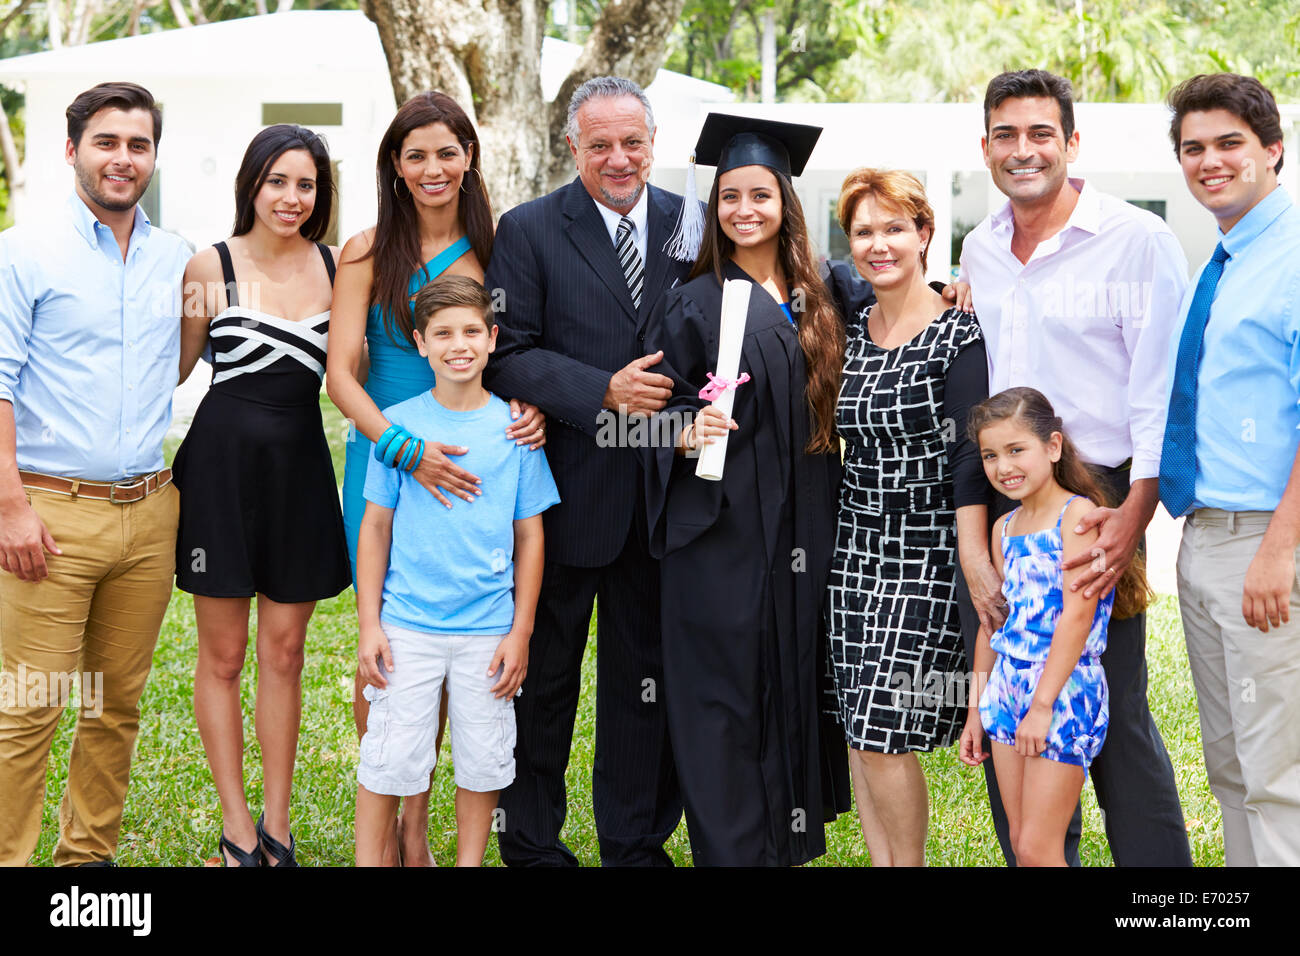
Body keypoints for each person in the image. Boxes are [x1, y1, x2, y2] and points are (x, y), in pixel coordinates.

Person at [955, 69, 1192, 866]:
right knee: (1014, 691)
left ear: (1071, 143)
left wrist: (1135, 516)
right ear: (985, 146)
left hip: (1103, 493)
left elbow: (1161, 391)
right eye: (1006, 135)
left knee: (1113, 708)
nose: (1023, 151)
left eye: (1040, 134)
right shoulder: (980, 247)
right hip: (1009, 491)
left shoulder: (1136, 240)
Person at [326, 91, 544, 865]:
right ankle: (393, 826)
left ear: (469, 158)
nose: (432, 168)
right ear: (395, 164)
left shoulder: (501, 250)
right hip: (387, 463)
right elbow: (340, 374)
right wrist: (403, 448)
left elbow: (510, 355)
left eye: (446, 152)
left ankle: (425, 837)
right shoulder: (363, 251)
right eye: (415, 154)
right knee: (393, 646)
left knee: (457, 645)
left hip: (474, 460)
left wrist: (531, 411)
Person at [482, 76, 687, 866]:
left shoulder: (689, 225)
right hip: (566, 497)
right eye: (599, 144)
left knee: (644, 686)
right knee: (546, 684)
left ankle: (632, 842)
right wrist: (601, 389)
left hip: (662, 504)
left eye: (631, 141)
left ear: (652, 142)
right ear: (572, 147)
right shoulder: (530, 230)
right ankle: (531, 841)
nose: (618, 158)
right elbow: (509, 351)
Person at [640, 113, 851, 865]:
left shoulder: (827, 294)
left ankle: (784, 845)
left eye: (759, 194)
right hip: (719, 540)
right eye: (729, 196)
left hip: (804, 532)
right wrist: (679, 430)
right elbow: (640, 420)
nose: (743, 210)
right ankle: (730, 851)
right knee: (723, 697)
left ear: (784, 201)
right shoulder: (693, 301)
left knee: (791, 679)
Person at [0, 82, 190, 866]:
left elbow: (182, 365)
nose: (123, 159)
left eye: (137, 145)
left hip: (148, 511)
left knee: (114, 708)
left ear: (152, 156)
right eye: (107, 142)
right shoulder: (23, 250)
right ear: (72, 149)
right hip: (48, 510)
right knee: (29, 710)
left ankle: (86, 866)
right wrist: (10, 506)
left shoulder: (178, 258)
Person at [175, 124, 351, 867]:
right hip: (218, 471)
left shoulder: (340, 267)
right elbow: (170, 373)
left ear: (320, 194)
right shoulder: (207, 265)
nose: (291, 196)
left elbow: (364, 373)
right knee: (223, 656)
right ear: (252, 183)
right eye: (277, 180)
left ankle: (278, 833)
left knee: (285, 653)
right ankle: (236, 830)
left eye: (305, 184)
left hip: (301, 472)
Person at [354, 275, 559, 867]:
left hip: (488, 633)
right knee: (389, 758)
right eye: (442, 333)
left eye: (471, 331)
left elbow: (530, 536)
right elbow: (375, 529)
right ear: (420, 343)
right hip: (408, 628)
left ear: (493, 339)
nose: (458, 344)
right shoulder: (397, 426)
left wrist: (519, 633)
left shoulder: (516, 431)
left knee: (483, 758)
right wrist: (371, 624)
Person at [826, 168, 988, 866]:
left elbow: (971, 460)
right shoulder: (847, 330)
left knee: (883, 734)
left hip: (924, 556)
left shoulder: (961, 335)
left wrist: (972, 556)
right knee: (860, 732)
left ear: (925, 233)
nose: (879, 243)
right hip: (852, 554)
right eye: (864, 231)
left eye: (895, 227)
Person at [1159, 73, 1300, 866]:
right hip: (1207, 536)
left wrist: (1278, 549)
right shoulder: (1221, 262)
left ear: (1272, 150)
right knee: (1232, 767)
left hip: (1266, 542)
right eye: (1193, 148)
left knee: (1278, 773)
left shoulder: (1292, 258)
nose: (1209, 161)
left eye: (1228, 144)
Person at [960, 387, 1149, 866]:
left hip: (1061, 692)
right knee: (1023, 845)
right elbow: (992, 625)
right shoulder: (1003, 530)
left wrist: (1043, 705)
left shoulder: (1078, 517)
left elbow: (1078, 617)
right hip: (1006, 689)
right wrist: (976, 710)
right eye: (990, 455)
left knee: (1040, 848)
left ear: (1053, 446)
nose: (1003, 467)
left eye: (1016, 449)